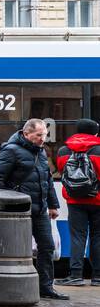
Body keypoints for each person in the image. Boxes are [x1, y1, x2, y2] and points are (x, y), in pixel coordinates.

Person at [0, 118, 68, 299]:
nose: (43, 139)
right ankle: (14, 288)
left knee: (47, 247)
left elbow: (46, 179)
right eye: (39, 135)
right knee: (17, 250)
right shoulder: (10, 151)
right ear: (26, 134)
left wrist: (53, 205)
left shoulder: (40, 152)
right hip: (19, 211)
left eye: (45, 135)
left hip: (40, 209)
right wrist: (10, 205)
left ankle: (45, 287)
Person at [56, 118, 100, 286]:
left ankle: (75, 275)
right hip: (98, 199)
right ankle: (97, 277)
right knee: (97, 237)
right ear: (95, 132)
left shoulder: (63, 150)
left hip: (74, 200)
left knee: (77, 237)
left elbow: (62, 173)